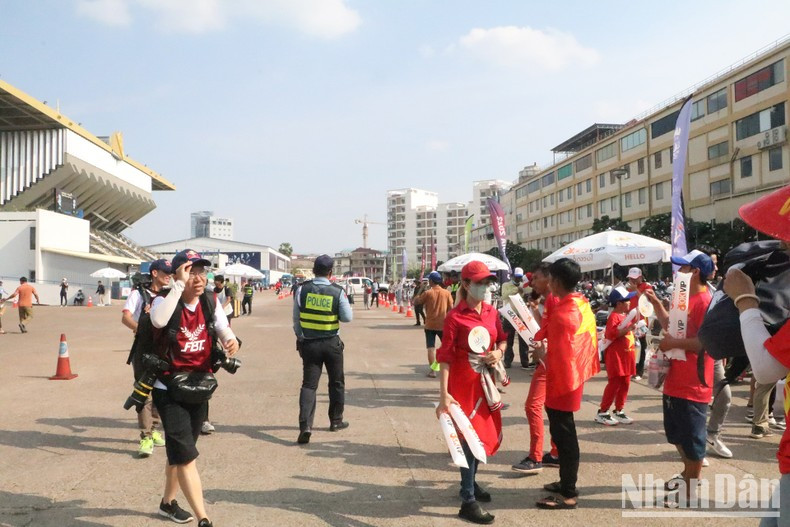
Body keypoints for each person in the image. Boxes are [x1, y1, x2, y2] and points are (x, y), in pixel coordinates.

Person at [149, 249, 239, 527]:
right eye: (191, 271)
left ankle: (167, 503)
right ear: (178, 274)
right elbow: (158, 321)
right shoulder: (163, 301)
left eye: (202, 271)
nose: (199, 277)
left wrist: (230, 339)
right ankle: (204, 518)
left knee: (180, 452)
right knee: (186, 456)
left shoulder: (211, 301)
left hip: (199, 386)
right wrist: (177, 285)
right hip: (169, 389)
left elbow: (222, 327)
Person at [436, 260, 506, 524]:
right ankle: (467, 500)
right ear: (465, 284)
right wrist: (444, 395)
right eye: (479, 282)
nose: (485, 287)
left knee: (482, 437)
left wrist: (498, 352)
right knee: (467, 440)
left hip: (485, 383)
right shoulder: (454, 317)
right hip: (462, 385)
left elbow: (502, 337)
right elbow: (444, 358)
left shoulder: (491, 312)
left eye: (487, 282)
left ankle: (471, 483)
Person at [644, 249, 714, 505]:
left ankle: (689, 491)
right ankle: (687, 475)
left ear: (695, 272)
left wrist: (674, 343)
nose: (678, 272)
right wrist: (657, 305)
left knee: (693, 440)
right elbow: (669, 326)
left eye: (683, 268)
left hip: (693, 384)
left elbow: (705, 343)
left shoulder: (706, 302)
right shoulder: (682, 298)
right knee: (676, 435)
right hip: (674, 381)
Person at [533, 258, 599, 510]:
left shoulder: (562, 313)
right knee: (562, 433)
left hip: (563, 380)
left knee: (565, 436)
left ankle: (568, 492)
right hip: (573, 376)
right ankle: (565, 482)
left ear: (557, 281)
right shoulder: (580, 303)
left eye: (550, 277)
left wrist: (540, 354)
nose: (547, 281)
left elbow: (556, 354)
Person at [293, 255, 353, 444]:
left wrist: (301, 337)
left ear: (313, 270)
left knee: (309, 385)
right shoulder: (337, 291)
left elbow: (296, 320)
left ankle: (305, 426)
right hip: (331, 344)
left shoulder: (302, 290)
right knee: (336, 383)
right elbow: (347, 318)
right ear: (330, 272)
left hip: (309, 343)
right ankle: (336, 421)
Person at [512, 263, 559, 475]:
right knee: (552, 407)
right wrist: (534, 313)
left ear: (549, 279)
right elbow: (547, 329)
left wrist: (544, 353)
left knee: (533, 406)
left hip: (550, 362)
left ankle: (535, 457)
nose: (532, 282)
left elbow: (560, 335)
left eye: (536, 278)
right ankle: (556, 454)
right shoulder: (550, 300)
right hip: (550, 360)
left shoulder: (556, 300)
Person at [121, 260, 172, 458]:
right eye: (165, 272)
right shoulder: (138, 294)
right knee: (144, 393)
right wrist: (139, 328)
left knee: (161, 391)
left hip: (163, 350)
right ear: (154, 273)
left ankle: (155, 428)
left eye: (170, 272)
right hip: (143, 351)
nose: (169, 276)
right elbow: (125, 317)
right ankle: (146, 436)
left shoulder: (168, 295)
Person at [595, 286, 638, 426]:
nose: (630, 302)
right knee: (614, 384)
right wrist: (628, 329)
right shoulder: (613, 316)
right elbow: (612, 334)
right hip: (616, 357)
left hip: (627, 356)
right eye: (627, 300)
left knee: (625, 383)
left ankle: (619, 410)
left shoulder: (624, 316)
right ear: (619, 303)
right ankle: (603, 412)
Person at [413, 271, 454, 378]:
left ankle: (433, 371)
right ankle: (449, 368)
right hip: (443, 324)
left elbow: (416, 302)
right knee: (446, 346)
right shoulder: (447, 293)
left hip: (430, 324)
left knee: (431, 348)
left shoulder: (428, 293)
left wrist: (419, 291)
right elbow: (451, 309)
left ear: (431, 281)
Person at [626, 267, 653, 379]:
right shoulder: (628, 288)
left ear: (640, 277)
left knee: (641, 345)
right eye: (631, 278)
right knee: (630, 345)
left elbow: (646, 300)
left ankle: (639, 371)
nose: (633, 281)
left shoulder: (647, 286)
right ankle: (630, 369)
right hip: (630, 320)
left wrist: (635, 290)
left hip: (642, 321)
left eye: (635, 278)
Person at [501, 267, 529, 369]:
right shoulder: (506, 285)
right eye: (516, 277)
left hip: (521, 316)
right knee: (509, 340)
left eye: (520, 277)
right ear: (513, 276)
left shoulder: (523, 286)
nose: (518, 279)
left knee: (523, 340)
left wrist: (524, 291)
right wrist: (516, 290)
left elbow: (529, 294)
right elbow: (503, 296)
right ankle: (508, 361)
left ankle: (525, 361)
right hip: (509, 315)